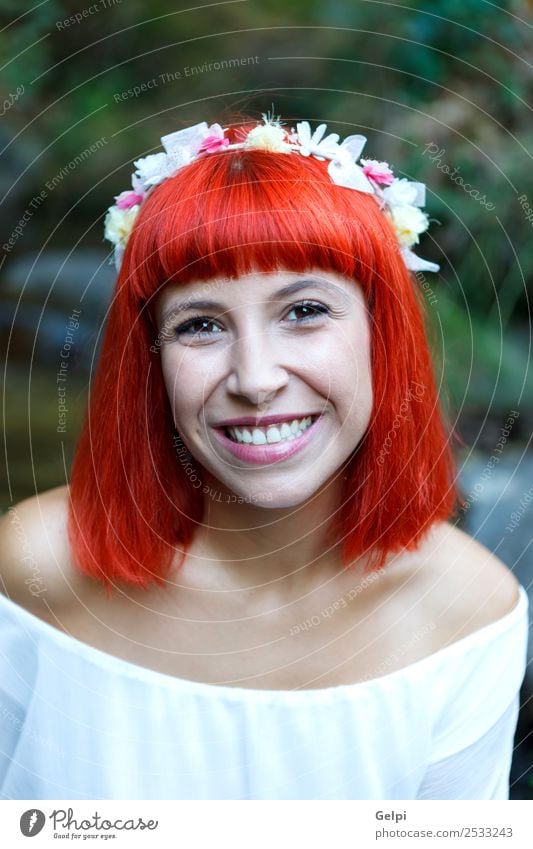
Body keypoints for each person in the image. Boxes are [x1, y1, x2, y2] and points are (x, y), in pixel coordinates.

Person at [0, 111, 528, 801]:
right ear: (150, 362)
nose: (254, 378)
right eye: (200, 325)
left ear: (382, 332)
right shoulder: (37, 569)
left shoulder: (466, 612)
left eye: (304, 311)